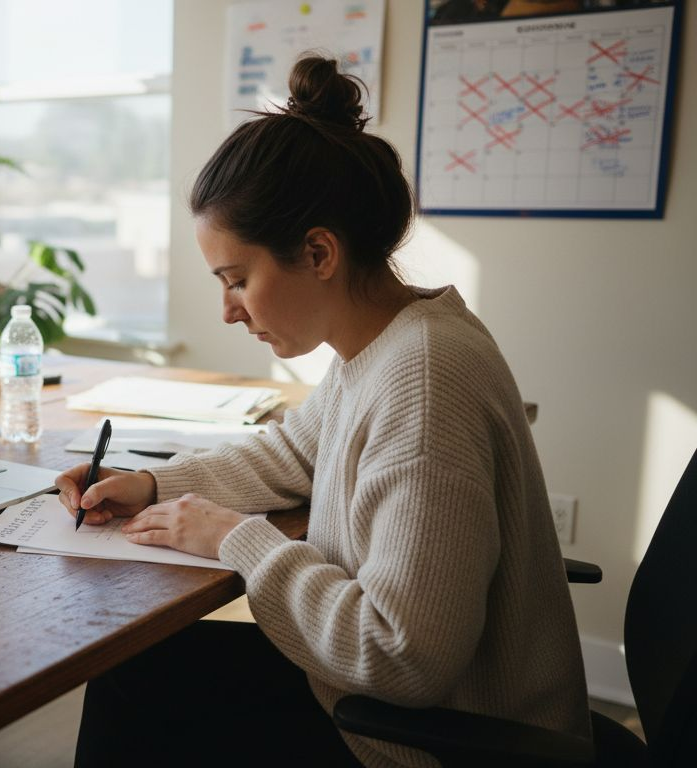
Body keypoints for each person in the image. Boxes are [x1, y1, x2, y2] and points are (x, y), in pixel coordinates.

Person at [56, 55, 590, 767]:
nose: (228, 310)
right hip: (376, 708)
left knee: (136, 687)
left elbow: (401, 657)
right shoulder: (388, 344)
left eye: (237, 280)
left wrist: (237, 540)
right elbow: (295, 451)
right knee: (134, 667)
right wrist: (155, 485)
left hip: (427, 745)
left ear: (318, 252)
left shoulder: (424, 381)